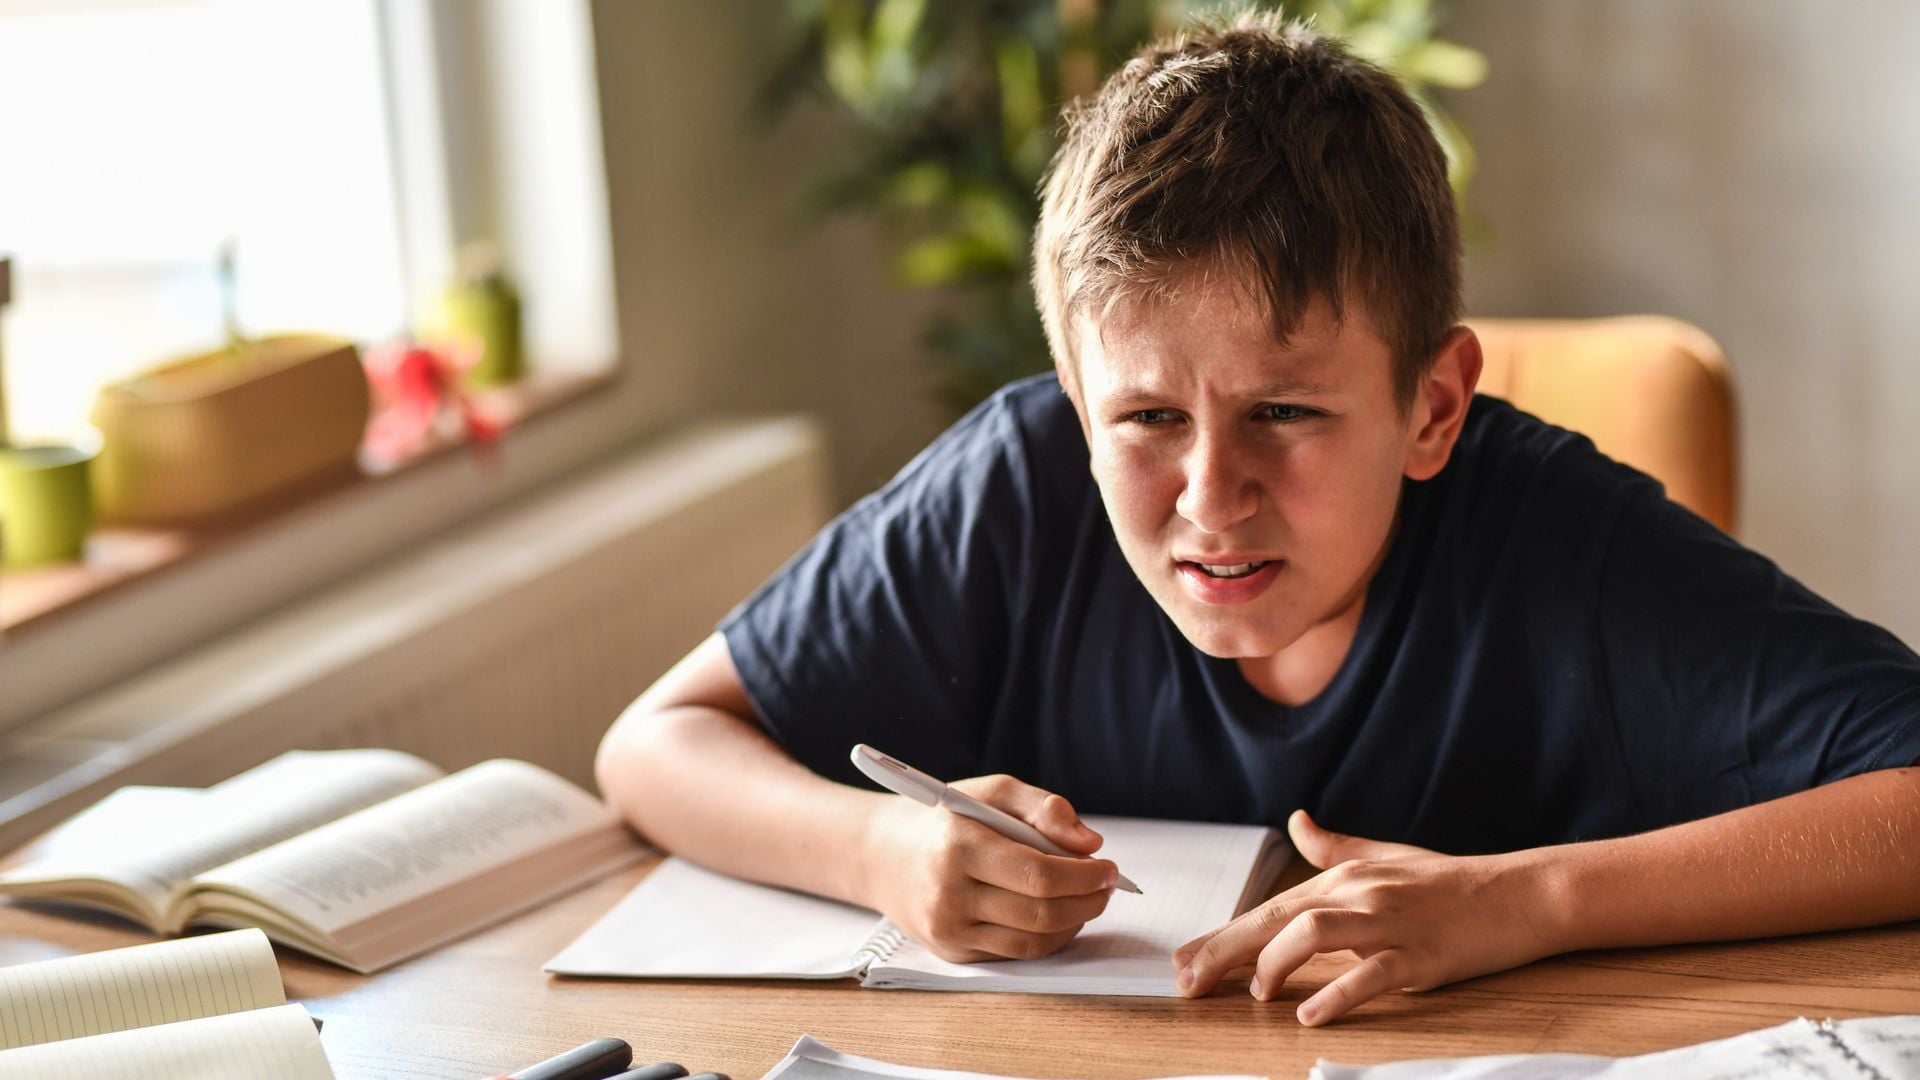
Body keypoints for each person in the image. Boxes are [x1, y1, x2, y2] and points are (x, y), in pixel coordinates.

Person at [596, 11, 1920, 1026]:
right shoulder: (1015, 486)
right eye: (1147, 420)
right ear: (1073, 399)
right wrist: (879, 846)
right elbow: (656, 746)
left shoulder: (1560, 544)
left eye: (1286, 414)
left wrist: (1526, 897)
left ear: (1435, 407)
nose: (1208, 497)